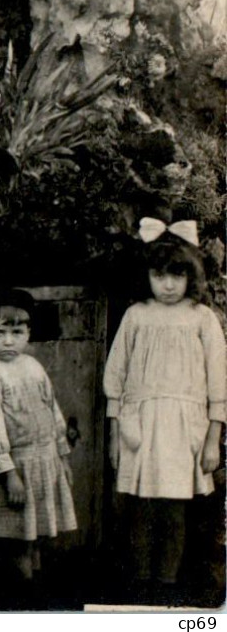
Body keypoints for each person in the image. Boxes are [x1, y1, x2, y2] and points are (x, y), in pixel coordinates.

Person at [103, 219, 226, 594]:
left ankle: (168, 582)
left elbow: (219, 381)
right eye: (160, 276)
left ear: (191, 276)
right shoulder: (137, 315)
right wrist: (114, 433)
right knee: (139, 505)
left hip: (184, 424)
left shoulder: (201, 318)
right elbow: (117, 375)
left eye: (177, 275)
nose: (169, 285)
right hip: (140, 422)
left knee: (173, 508)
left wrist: (211, 439)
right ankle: (139, 581)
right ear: (147, 277)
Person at [0, 288, 77, 581]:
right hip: (18, 465)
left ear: (28, 332)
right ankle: (21, 591)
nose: (8, 340)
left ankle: (37, 582)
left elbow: (52, 411)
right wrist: (8, 472)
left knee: (39, 531)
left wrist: (63, 457)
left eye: (16, 332)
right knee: (18, 536)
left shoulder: (32, 366)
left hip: (46, 461)